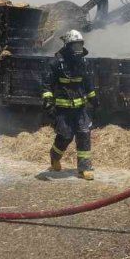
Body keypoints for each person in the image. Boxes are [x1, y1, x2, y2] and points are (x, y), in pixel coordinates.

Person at [41, 30, 99, 180]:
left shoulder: (84, 63)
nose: (78, 49)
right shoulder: (55, 63)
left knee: (84, 134)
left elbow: (88, 83)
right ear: (67, 46)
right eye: (75, 46)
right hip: (63, 109)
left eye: (80, 45)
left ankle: (84, 169)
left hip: (81, 108)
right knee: (65, 136)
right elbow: (46, 84)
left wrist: (93, 98)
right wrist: (48, 102)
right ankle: (54, 156)